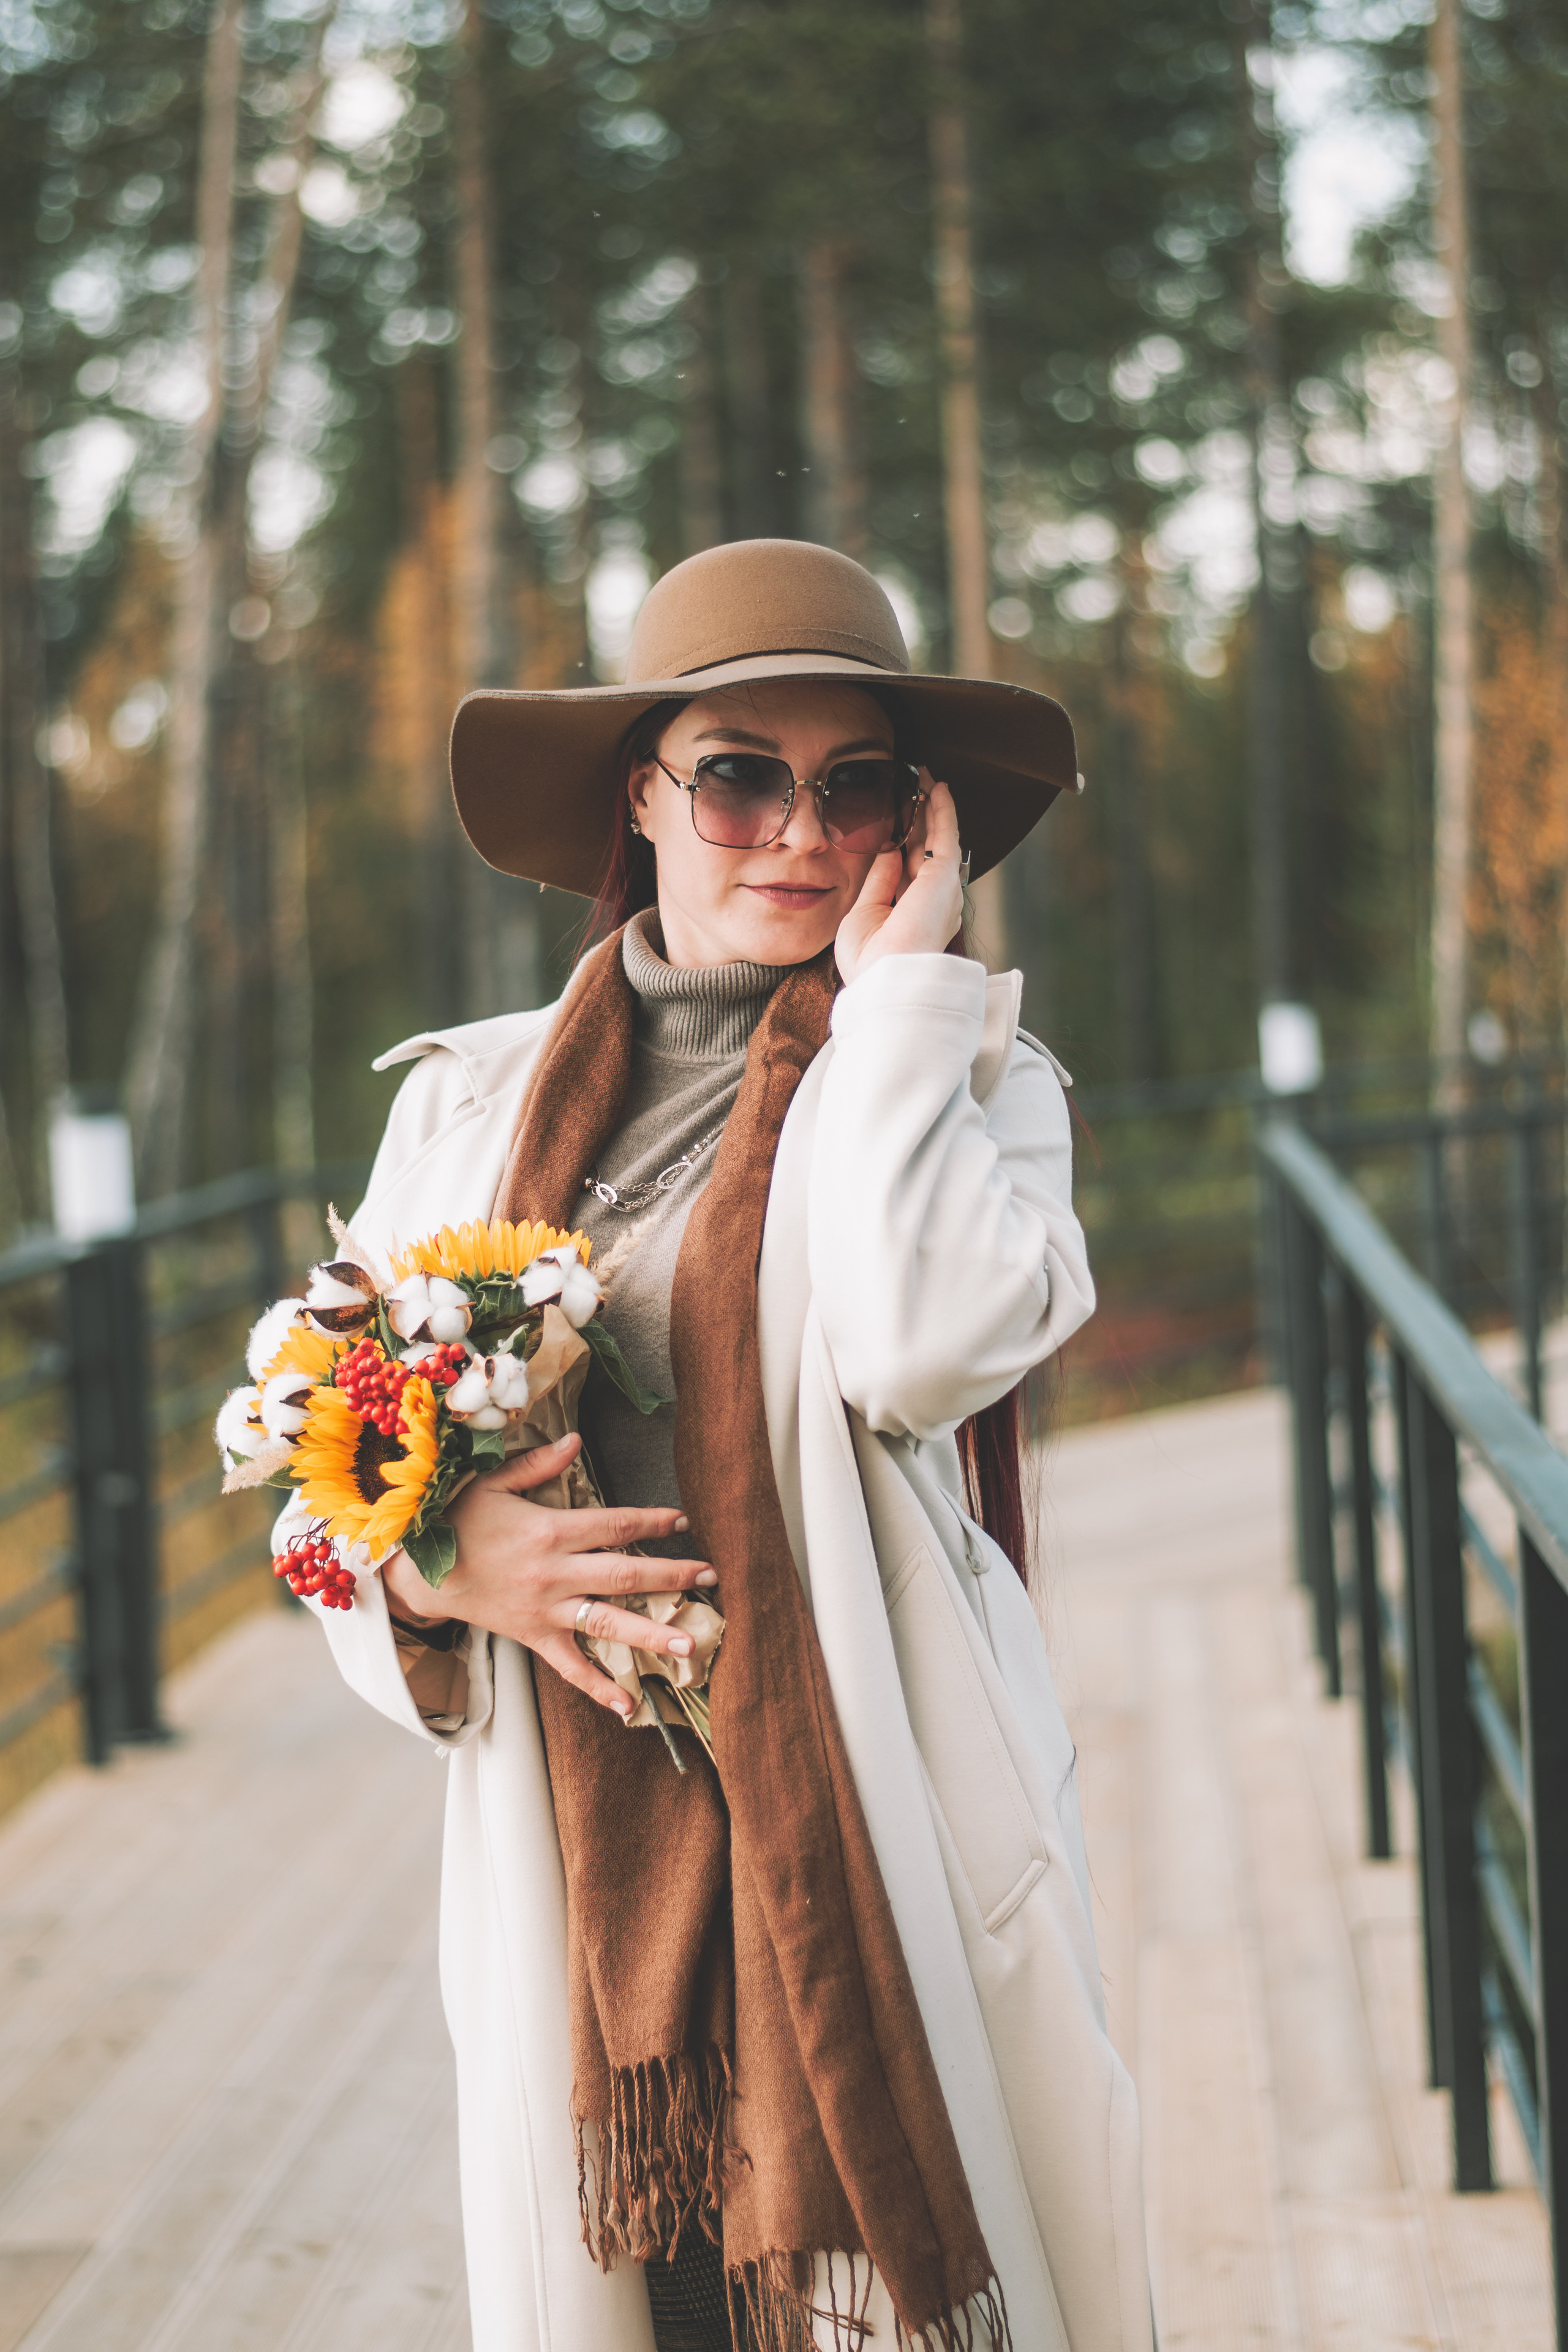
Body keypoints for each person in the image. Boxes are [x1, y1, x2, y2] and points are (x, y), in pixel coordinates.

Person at [317, 540, 1152, 2352]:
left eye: (856, 785)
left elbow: (921, 1347)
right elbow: (316, 1501)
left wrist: (907, 1001)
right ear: (647, 794)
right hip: (583, 1884)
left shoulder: (978, 1086)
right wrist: (439, 1569)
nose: (795, 825)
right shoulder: (468, 1111)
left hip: (878, 1832)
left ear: (914, 823)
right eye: (739, 775)